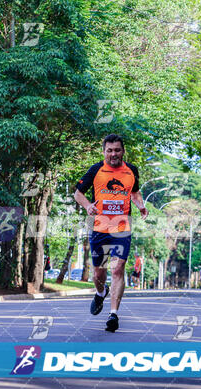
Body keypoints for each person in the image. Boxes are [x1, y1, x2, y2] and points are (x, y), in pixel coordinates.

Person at [74, 134, 148, 332]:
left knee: (117, 269)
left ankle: (113, 314)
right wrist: (88, 206)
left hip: (122, 228)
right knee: (99, 272)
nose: (113, 153)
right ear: (104, 151)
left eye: (117, 150)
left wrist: (140, 205)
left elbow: (134, 191)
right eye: (110, 150)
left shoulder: (131, 170)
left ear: (123, 151)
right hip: (99, 228)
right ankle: (100, 293)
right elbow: (78, 193)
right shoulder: (96, 170)